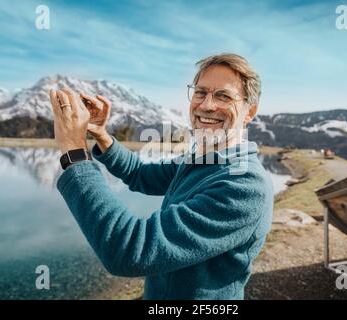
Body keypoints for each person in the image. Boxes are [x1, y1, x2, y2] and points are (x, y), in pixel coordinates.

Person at [49, 53, 273, 299]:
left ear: (250, 111)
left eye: (224, 96)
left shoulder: (244, 184)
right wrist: (101, 134)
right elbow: (140, 174)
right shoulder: (202, 158)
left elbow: (129, 251)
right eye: (200, 92)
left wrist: (74, 152)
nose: (207, 105)